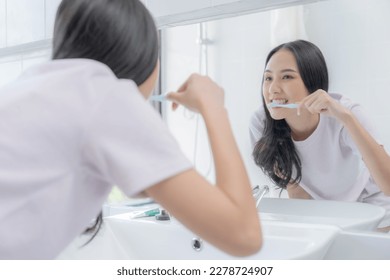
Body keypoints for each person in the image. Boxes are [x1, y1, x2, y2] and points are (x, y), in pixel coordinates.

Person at [0, 0, 262, 259]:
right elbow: (245, 235)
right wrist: (213, 106)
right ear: (144, 57)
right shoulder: (106, 96)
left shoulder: (31, 87)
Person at [250, 39, 390, 231]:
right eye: (268, 78)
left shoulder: (347, 113)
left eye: (287, 77)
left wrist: (347, 119)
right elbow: (297, 191)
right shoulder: (262, 123)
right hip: (323, 212)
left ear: (312, 82)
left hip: (372, 210)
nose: (273, 88)